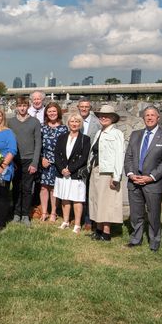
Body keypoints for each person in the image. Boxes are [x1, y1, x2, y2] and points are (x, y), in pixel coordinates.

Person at [124, 106, 162, 251]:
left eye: (153, 115)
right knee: (135, 213)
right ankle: (136, 239)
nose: (150, 118)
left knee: (153, 214)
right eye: (147, 115)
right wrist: (131, 174)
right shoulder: (135, 135)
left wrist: (150, 177)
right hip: (134, 181)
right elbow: (128, 157)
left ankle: (154, 241)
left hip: (153, 183)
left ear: (158, 118)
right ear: (143, 118)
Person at [87, 105, 125, 241]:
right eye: (101, 115)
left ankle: (106, 233)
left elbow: (119, 156)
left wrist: (116, 177)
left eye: (107, 115)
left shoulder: (117, 134)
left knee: (107, 202)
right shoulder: (99, 132)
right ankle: (98, 229)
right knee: (96, 200)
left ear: (113, 118)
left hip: (107, 172)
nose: (103, 117)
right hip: (96, 170)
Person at [54, 113, 90, 233]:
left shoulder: (85, 139)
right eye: (72, 121)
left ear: (81, 124)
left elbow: (84, 158)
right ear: (68, 123)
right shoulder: (61, 137)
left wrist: (70, 169)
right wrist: (62, 169)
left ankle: (78, 224)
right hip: (62, 172)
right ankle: (65, 221)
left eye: (77, 122)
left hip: (75, 174)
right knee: (65, 197)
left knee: (77, 198)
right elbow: (57, 155)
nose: (74, 124)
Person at [8, 95, 41, 226]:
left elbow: (38, 143)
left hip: (29, 159)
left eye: (24, 106)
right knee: (16, 187)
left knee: (27, 189)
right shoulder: (11, 122)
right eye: (20, 106)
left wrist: (35, 162)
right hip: (15, 159)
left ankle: (25, 215)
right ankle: (16, 213)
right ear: (16, 107)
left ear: (28, 107)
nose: (22, 108)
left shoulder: (34, 122)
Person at [39, 102, 68, 222]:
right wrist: (41, 159)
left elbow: (66, 147)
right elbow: (38, 145)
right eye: (49, 111)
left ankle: (53, 213)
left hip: (58, 162)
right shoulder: (42, 127)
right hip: (44, 161)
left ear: (58, 112)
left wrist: (60, 162)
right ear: (46, 113)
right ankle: (44, 212)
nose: (52, 113)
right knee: (44, 188)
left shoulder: (64, 128)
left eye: (54, 111)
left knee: (54, 189)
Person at [77, 97, 101, 231]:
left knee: (89, 192)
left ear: (90, 108)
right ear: (78, 107)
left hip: (90, 161)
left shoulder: (96, 123)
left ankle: (88, 219)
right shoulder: (74, 119)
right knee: (78, 190)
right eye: (82, 106)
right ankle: (77, 218)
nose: (84, 109)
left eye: (86, 107)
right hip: (76, 160)